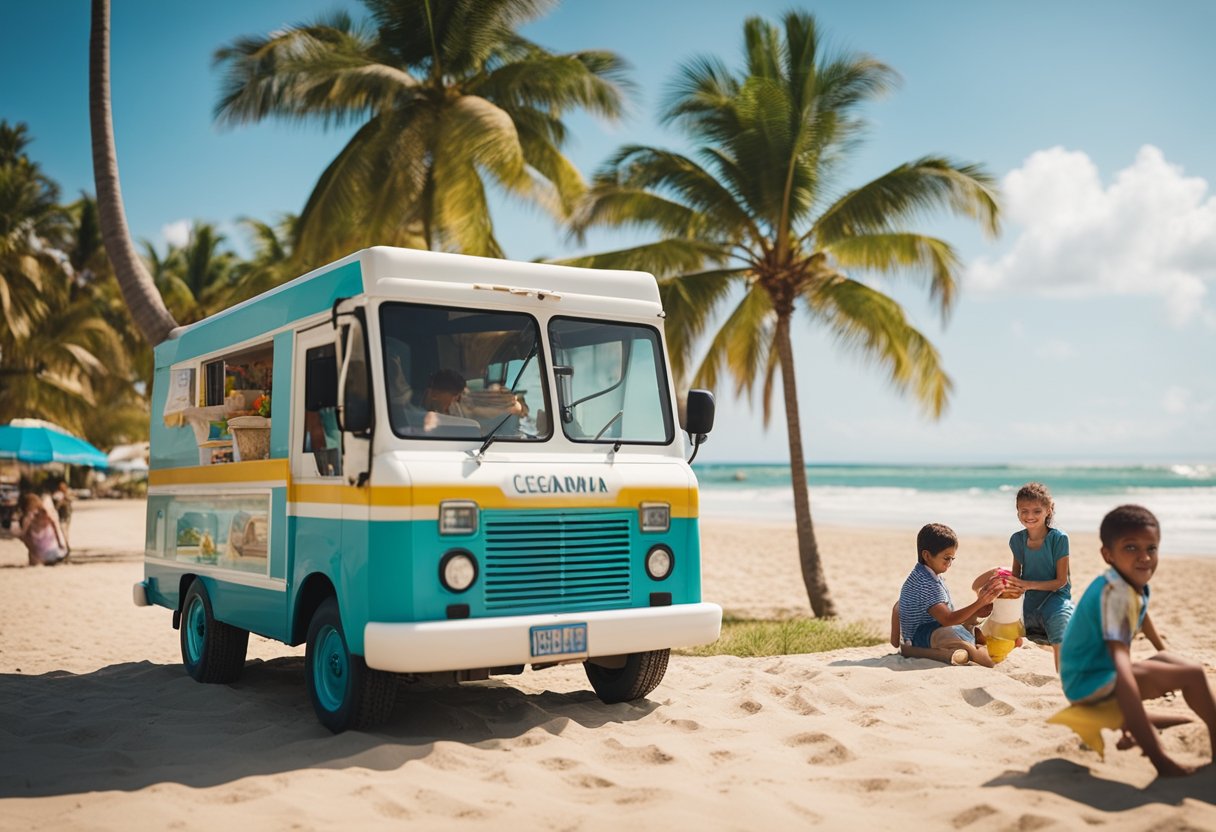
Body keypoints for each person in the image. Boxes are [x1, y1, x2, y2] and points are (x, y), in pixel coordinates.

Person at [1058, 504, 1215, 777]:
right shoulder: (1116, 594)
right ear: (1108, 554)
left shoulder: (1130, 582)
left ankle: (1125, 716)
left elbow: (1141, 615)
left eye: (1151, 548)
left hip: (1085, 676)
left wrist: (1162, 652)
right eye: (1131, 548)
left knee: (1173, 662)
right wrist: (1159, 758)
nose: (1144, 557)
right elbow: (1122, 667)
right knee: (1192, 674)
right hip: (1089, 682)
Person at [896, 523, 1005, 667]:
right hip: (921, 636)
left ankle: (972, 644)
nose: (949, 563)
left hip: (933, 629)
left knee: (973, 623)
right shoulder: (925, 584)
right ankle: (978, 653)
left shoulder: (926, 575)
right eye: (946, 558)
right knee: (963, 644)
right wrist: (979, 602)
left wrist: (978, 608)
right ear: (927, 555)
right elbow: (947, 620)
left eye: (952, 559)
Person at [1005, 482, 1072, 671]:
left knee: (1060, 623)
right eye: (1024, 511)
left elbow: (1061, 582)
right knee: (998, 621)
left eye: (1036, 511)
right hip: (1029, 599)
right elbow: (1015, 576)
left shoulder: (1059, 539)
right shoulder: (1016, 540)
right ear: (1017, 512)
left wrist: (1026, 584)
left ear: (1048, 510)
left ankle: (1063, 677)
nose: (1029, 516)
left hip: (1055, 597)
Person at [18, 492, 69, 566]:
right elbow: (23, 535)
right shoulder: (32, 518)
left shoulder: (49, 517)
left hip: (49, 552)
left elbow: (22, 535)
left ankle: (41, 558)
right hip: (47, 552)